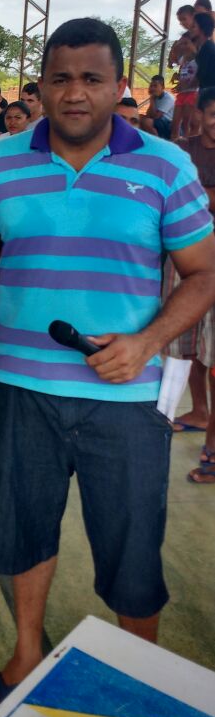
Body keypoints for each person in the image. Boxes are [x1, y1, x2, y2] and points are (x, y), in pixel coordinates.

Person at [0, 16, 215, 717]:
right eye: (59, 78)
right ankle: (26, 651)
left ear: (120, 86)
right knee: (23, 529)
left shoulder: (163, 165)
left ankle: (137, 673)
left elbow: (202, 273)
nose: (74, 93)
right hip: (18, 389)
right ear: (39, 86)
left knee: (130, 542)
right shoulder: (1, 161)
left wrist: (146, 341)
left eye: (92, 78)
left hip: (126, 400)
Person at [163, 88, 215, 459]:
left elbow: (188, 198)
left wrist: (197, 196)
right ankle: (198, 411)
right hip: (188, 257)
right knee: (188, 343)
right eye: (213, 114)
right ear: (200, 113)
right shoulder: (184, 151)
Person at [170, 32, 198, 139]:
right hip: (183, 93)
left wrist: (186, 84)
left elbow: (199, 77)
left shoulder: (198, 59)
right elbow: (183, 71)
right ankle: (175, 145)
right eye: (182, 44)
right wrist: (177, 78)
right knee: (175, 124)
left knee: (187, 123)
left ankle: (189, 148)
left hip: (192, 92)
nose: (183, 46)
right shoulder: (183, 60)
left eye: (186, 43)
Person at [192, 12, 215, 93]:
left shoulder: (207, 49)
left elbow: (202, 75)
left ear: (202, 29)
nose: (191, 29)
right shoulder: (206, 47)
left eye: (194, 26)